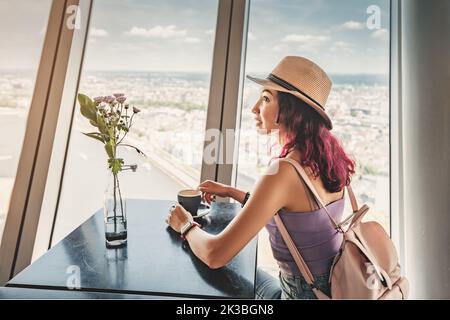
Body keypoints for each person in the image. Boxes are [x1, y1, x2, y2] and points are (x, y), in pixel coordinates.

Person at [165, 56, 355, 299]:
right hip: (334, 287)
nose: (254, 108)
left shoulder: (285, 171)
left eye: (265, 98)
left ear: (291, 110)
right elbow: (298, 214)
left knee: (220, 268)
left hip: (299, 295)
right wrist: (233, 192)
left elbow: (215, 255)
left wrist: (185, 224)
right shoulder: (328, 159)